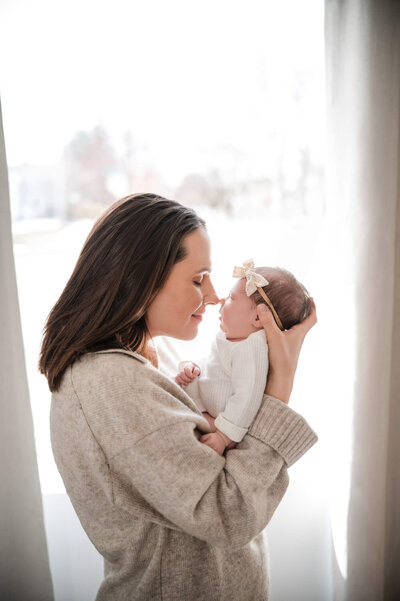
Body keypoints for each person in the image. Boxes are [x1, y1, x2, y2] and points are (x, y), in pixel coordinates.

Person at [39, 193, 318, 601]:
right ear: (140, 276)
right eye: (197, 278)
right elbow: (231, 514)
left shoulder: (151, 360)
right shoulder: (112, 385)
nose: (214, 295)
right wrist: (281, 384)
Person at [175, 260, 312, 455]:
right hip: (207, 411)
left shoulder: (251, 349)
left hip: (225, 425)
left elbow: (246, 397)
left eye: (231, 298)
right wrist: (194, 367)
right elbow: (215, 366)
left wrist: (224, 436)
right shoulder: (231, 338)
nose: (221, 300)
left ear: (258, 317)